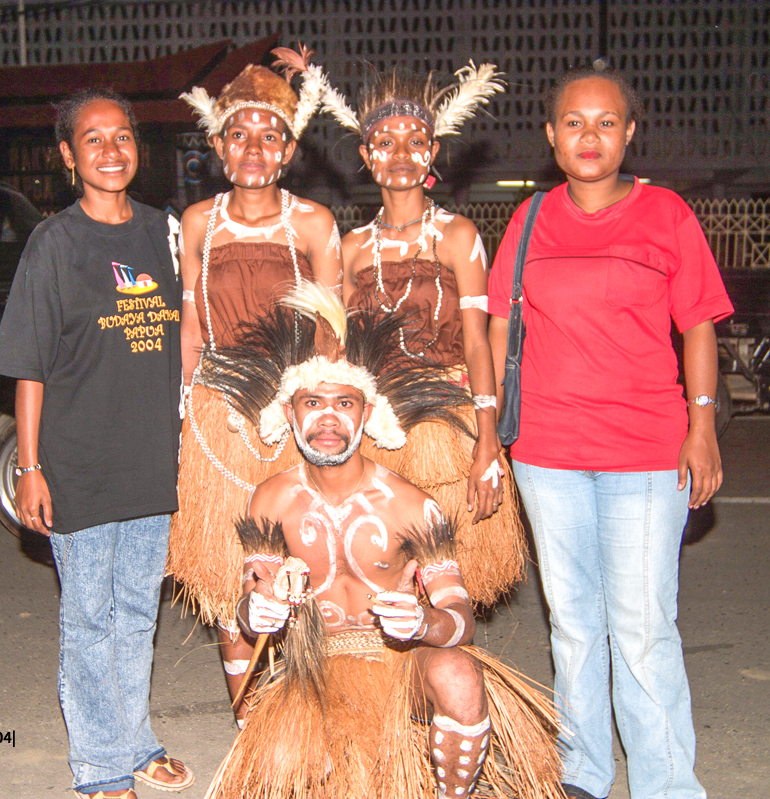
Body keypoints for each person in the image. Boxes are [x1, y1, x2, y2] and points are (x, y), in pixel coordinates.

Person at [197, 283, 563, 799]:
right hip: (313, 669)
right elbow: (247, 600)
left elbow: (461, 619)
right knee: (229, 626)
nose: (328, 418)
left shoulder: (412, 505)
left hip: (399, 667)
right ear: (291, 414)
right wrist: (252, 611)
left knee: (459, 674)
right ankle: (261, 732)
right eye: (312, 403)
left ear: (367, 415)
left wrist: (425, 621)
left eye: (344, 403)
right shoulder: (270, 500)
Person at [486, 66, 733, 799]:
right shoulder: (529, 219)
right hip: (548, 453)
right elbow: (501, 331)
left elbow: (696, 326)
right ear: (550, 135)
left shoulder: (666, 215)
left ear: (629, 132)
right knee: (572, 626)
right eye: (572, 122)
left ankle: (667, 784)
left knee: (645, 626)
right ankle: (583, 774)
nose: (588, 136)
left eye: (604, 122)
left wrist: (703, 424)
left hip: (646, 451)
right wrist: (486, 436)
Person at [0, 88, 192, 799]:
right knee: (89, 617)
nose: (111, 150)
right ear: (69, 156)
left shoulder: (165, 233)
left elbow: (188, 343)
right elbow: (30, 367)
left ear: (139, 146)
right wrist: (32, 466)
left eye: (123, 136)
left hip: (148, 461)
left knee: (137, 612)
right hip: (77, 462)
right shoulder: (55, 243)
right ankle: (101, 763)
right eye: (93, 139)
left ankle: (134, 739)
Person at [169, 45, 343, 722]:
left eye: (269, 135)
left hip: (290, 413)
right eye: (238, 134)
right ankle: (248, 712)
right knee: (226, 567)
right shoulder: (197, 224)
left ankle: (301, 704)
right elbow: (190, 323)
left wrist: (316, 413)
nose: (252, 147)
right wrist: (186, 411)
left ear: (289, 149)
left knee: (295, 562)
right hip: (217, 415)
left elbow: (331, 333)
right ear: (218, 145)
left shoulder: (313, 224)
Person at [320, 64, 525, 606]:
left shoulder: (457, 235)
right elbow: (339, 353)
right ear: (366, 157)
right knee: (377, 587)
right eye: (385, 143)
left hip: (445, 428)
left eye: (415, 142)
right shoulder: (353, 246)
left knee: (443, 587)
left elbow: (479, 343)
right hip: (377, 432)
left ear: (432, 152)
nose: (401, 154)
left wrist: (487, 442)